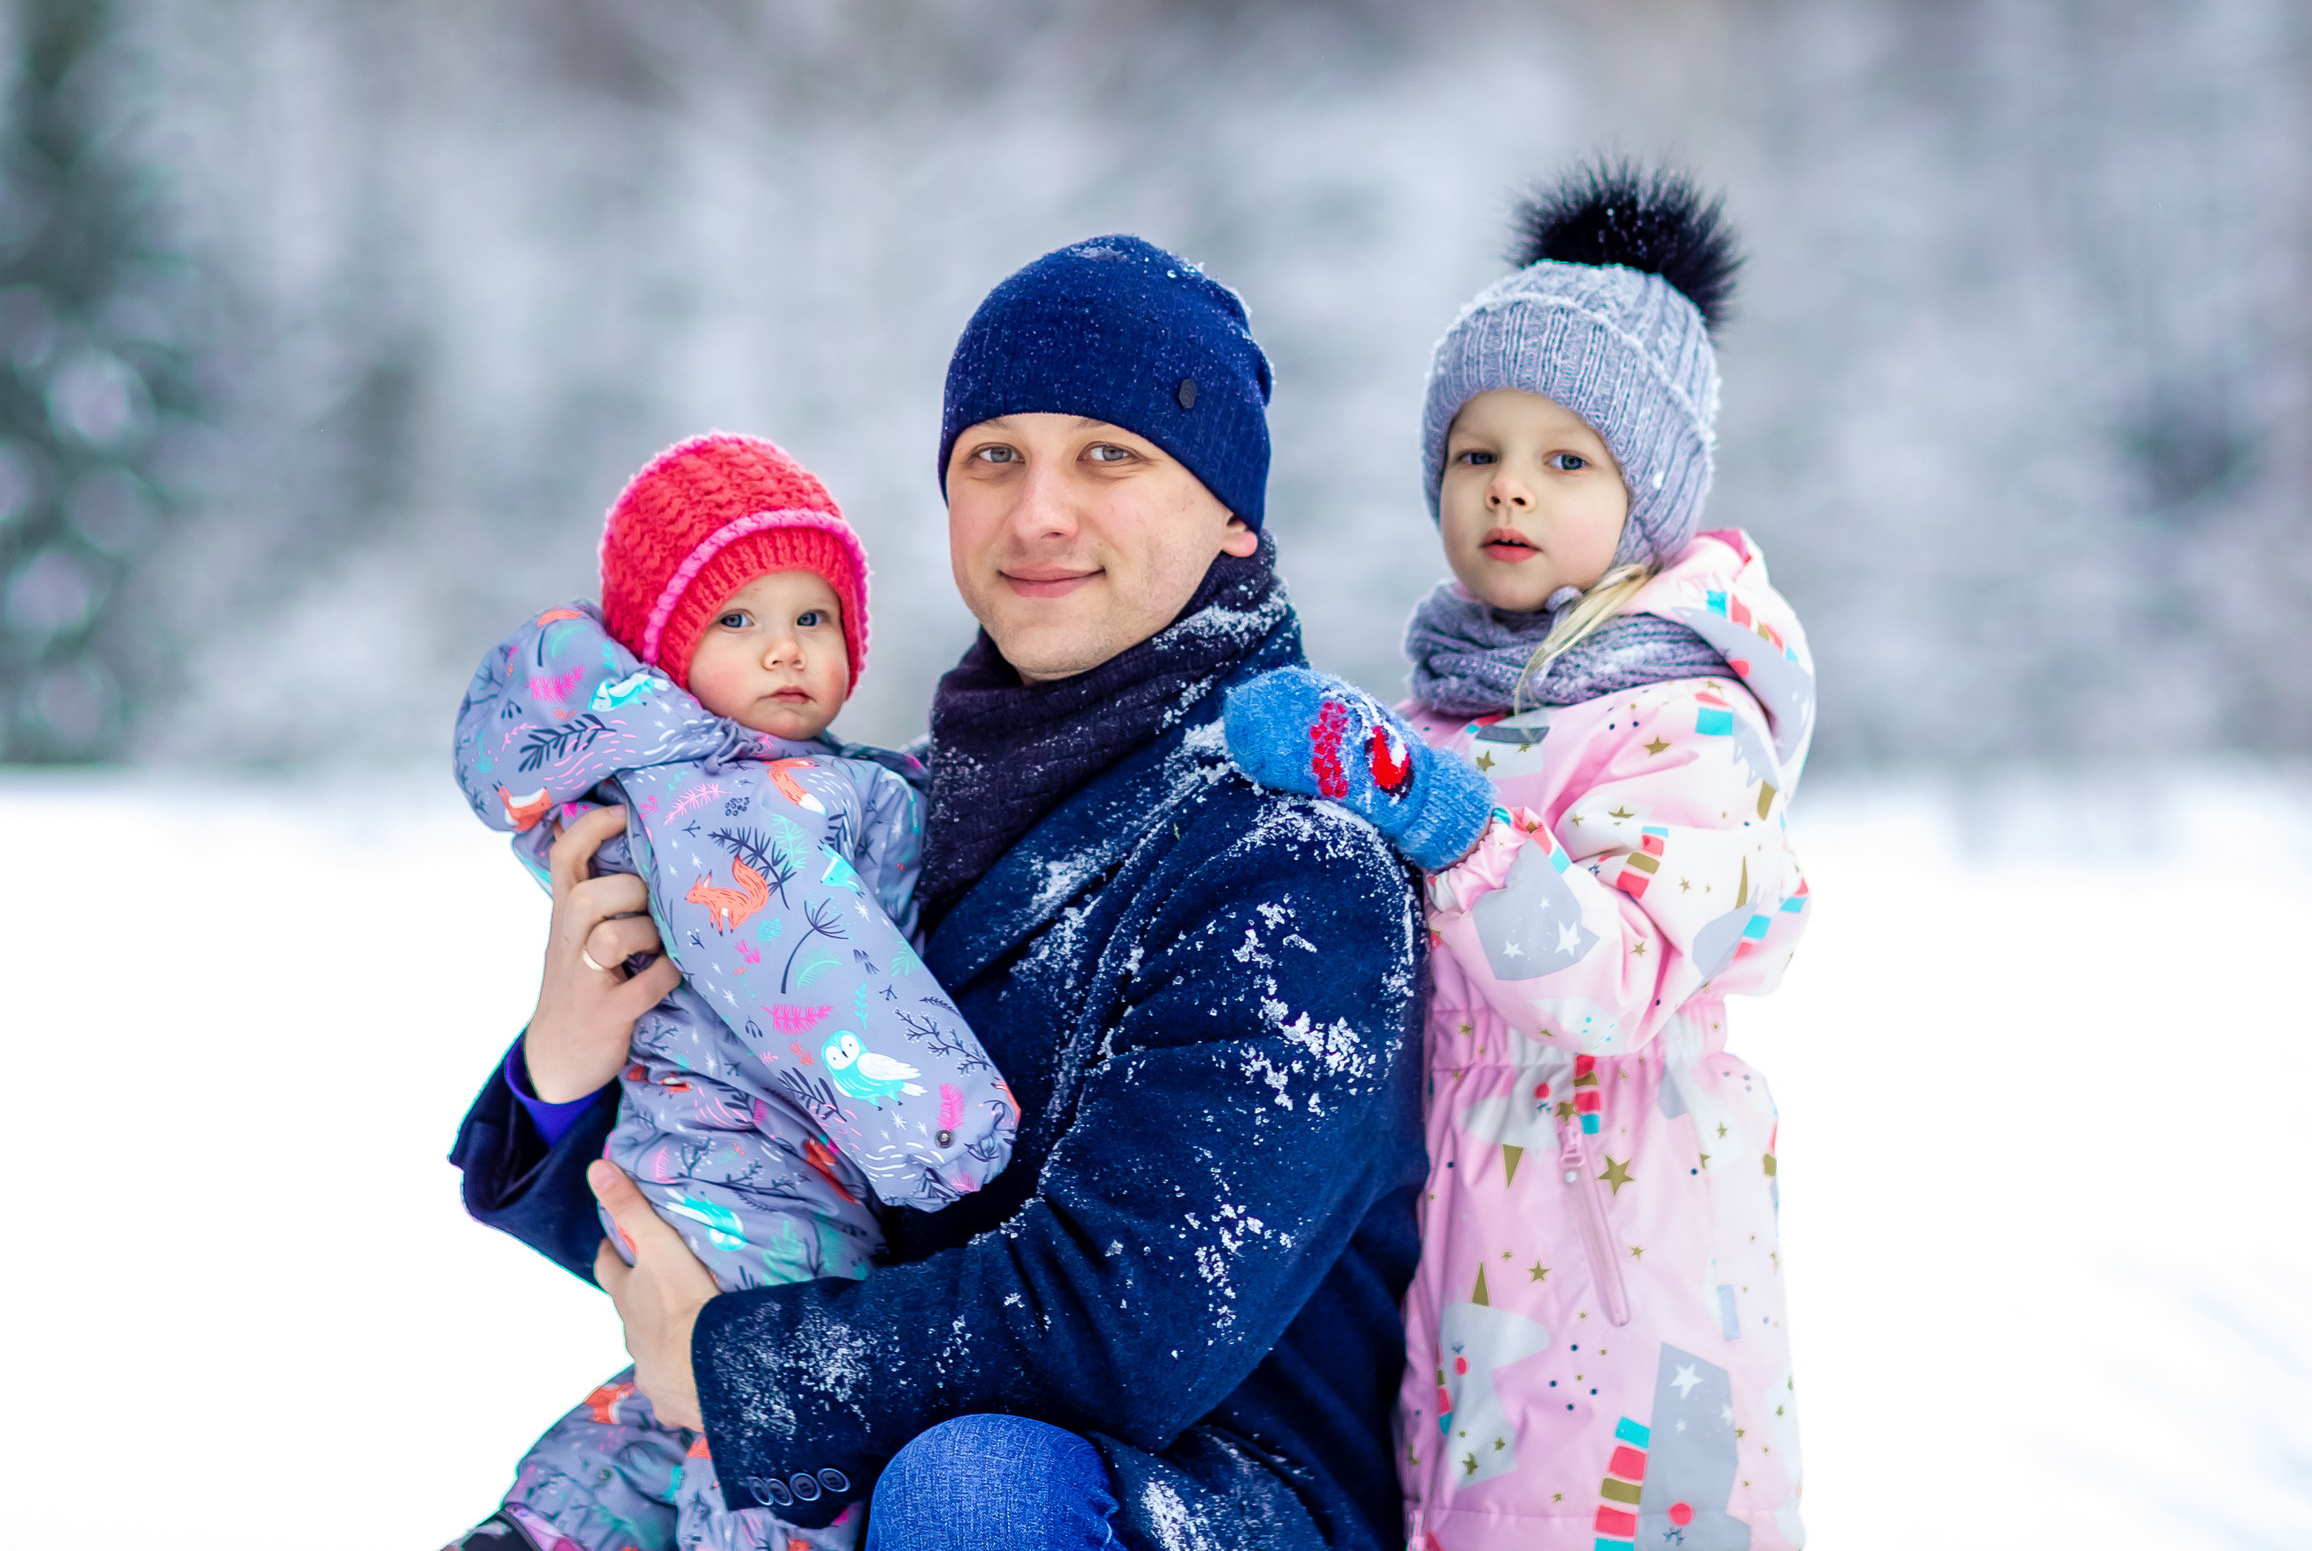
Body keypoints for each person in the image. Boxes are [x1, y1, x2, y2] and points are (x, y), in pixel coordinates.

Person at [449, 236, 1429, 1551]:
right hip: (885, 1463)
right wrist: (568, 1065)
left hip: (1197, 1498)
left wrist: (739, 1367)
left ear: (1233, 509)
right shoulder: (883, 816)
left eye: (1108, 455)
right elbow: (740, 1205)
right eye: (994, 457)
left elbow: (1123, 1320)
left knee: (976, 1483)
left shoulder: (1293, 862)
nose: (1038, 513)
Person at [1224, 164, 1816, 1549]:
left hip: (1621, 1269)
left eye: (1567, 459)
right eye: (1475, 452)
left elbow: (1607, 980)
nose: (1509, 490)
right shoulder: (1451, 706)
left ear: (1648, 492)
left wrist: (1441, 819)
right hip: (1458, 1251)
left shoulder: (1691, 723)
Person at [445, 434, 1020, 1551]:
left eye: (811, 618)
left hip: (694, 1160)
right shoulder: (725, 812)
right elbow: (810, 974)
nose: (783, 651)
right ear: (662, 655)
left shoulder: (684, 791)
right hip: (765, 1181)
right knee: (767, 1449)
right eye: (736, 622)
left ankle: (555, 1524)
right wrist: (952, 1135)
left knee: (668, 1409)